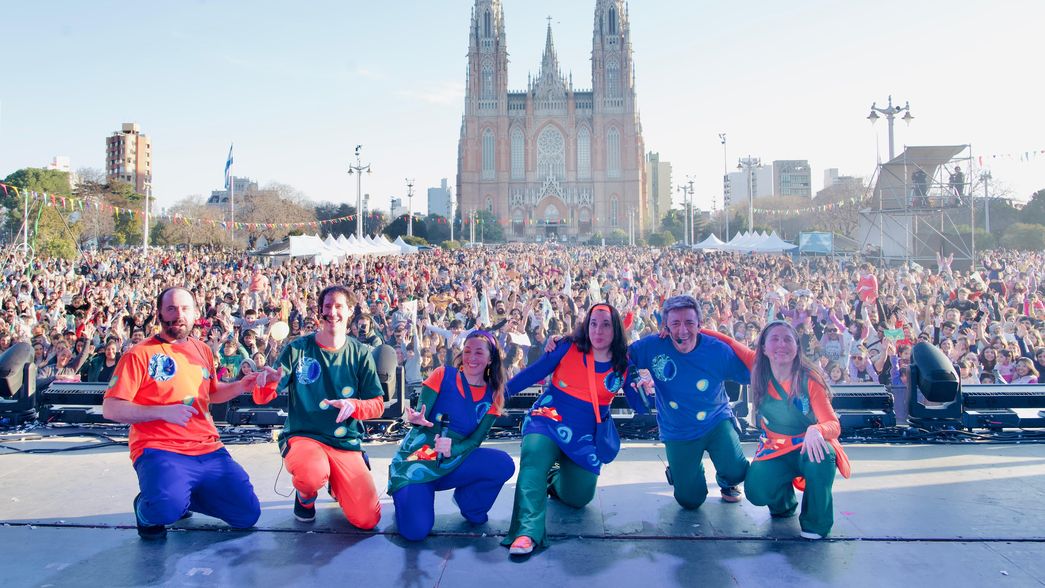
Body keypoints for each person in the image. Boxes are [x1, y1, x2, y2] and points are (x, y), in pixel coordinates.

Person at [102, 286, 262, 539]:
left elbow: (210, 393)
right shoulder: (138, 354)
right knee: (165, 511)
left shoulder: (202, 350)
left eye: (185, 308)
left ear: (195, 313)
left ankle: (180, 495)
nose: (179, 314)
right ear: (159, 314)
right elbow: (111, 408)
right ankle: (147, 507)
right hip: (159, 448)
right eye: (171, 308)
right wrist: (163, 412)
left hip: (208, 449)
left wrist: (240, 386)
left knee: (247, 515)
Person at [502, 303, 646, 556]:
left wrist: (646, 387)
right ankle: (527, 532)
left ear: (616, 330)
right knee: (533, 457)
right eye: (593, 323)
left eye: (605, 325)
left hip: (584, 437)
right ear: (586, 325)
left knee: (579, 498)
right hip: (547, 419)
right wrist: (494, 396)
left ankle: (551, 479)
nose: (598, 330)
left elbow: (640, 406)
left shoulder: (624, 363)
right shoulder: (566, 347)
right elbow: (531, 374)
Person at [254, 285, 385, 529]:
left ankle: (337, 483)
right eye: (327, 306)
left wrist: (353, 405)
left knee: (368, 519)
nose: (332, 312)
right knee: (312, 473)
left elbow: (377, 405)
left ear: (349, 312)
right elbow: (263, 399)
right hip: (305, 437)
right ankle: (305, 498)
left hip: (344, 442)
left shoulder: (360, 353)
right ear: (320, 311)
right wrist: (267, 384)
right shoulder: (297, 349)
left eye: (339, 307)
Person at [387, 331, 515, 541]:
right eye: (467, 351)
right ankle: (405, 495)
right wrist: (419, 420)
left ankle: (470, 504)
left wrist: (452, 449)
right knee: (416, 532)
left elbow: (475, 441)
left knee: (503, 464)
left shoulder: (494, 394)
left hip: (455, 460)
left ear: (491, 358)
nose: (471, 357)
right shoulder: (442, 374)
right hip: (419, 459)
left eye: (479, 352)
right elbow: (422, 412)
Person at [628, 295, 751, 510]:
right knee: (689, 500)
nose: (683, 331)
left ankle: (725, 481)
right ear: (665, 326)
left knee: (737, 472)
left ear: (700, 325)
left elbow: (750, 373)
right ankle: (687, 471)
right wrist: (633, 377)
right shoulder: (654, 345)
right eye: (675, 323)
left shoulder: (716, 349)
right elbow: (623, 357)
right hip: (678, 428)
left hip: (716, 421)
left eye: (689, 323)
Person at [744, 320, 851, 539]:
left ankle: (816, 522)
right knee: (755, 490)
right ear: (763, 348)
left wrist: (817, 431)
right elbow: (728, 342)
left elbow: (833, 425)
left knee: (822, 457)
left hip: (808, 447)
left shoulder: (809, 379)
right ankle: (784, 503)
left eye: (787, 339)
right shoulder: (759, 372)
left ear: (797, 347)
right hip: (776, 448)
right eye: (774, 339)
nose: (781, 344)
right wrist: (689, 328)